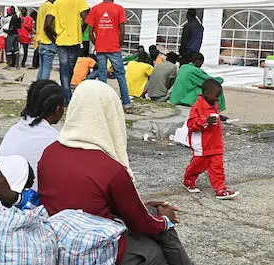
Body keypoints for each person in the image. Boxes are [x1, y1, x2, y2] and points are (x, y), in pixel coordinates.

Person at [38, 80, 192, 265]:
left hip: (56, 237)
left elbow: (85, 200)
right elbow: (140, 223)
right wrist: (165, 220)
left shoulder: (49, 153)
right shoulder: (110, 169)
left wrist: (140, 205)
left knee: (151, 214)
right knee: (154, 250)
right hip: (93, 247)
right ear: (110, 116)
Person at [0, 80, 64, 190]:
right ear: (58, 109)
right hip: (33, 201)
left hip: (5, 197)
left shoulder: (14, 130)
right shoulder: (54, 140)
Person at [183, 79, 238, 200]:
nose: (217, 99)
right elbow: (191, 124)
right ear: (207, 94)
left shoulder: (214, 104)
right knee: (198, 165)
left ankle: (220, 189)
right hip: (203, 144)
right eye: (216, 96)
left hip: (215, 143)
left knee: (217, 167)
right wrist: (205, 121)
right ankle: (188, 180)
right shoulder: (198, 107)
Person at [45, 0, 90, 103]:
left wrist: (55, 37)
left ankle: (65, 95)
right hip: (75, 40)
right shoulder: (80, 0)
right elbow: (86, 19)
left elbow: (47, 24)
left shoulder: (58, 2)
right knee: (69, 69)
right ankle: (67, 97)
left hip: (61, 41)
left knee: (64, 69)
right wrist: (80, 30)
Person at [86, 0, 131, 110]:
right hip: (114, 47)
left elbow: (90, 33)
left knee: (102, 75)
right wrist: (119, 43)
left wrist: (97, 43)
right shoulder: (119, 9)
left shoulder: (95, 9)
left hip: (100, 48)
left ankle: (103, 103)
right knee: (120, 75)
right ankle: (126, 103)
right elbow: (122, 30)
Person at [36, 0, 65, 80]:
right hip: (48, 41)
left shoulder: (43, 5)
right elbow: (47, 26)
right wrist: (54, 39)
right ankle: (44, 87)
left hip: (40, 40)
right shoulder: (50, 6)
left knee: (42, 67)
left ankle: (38, 86)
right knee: (47, 68)